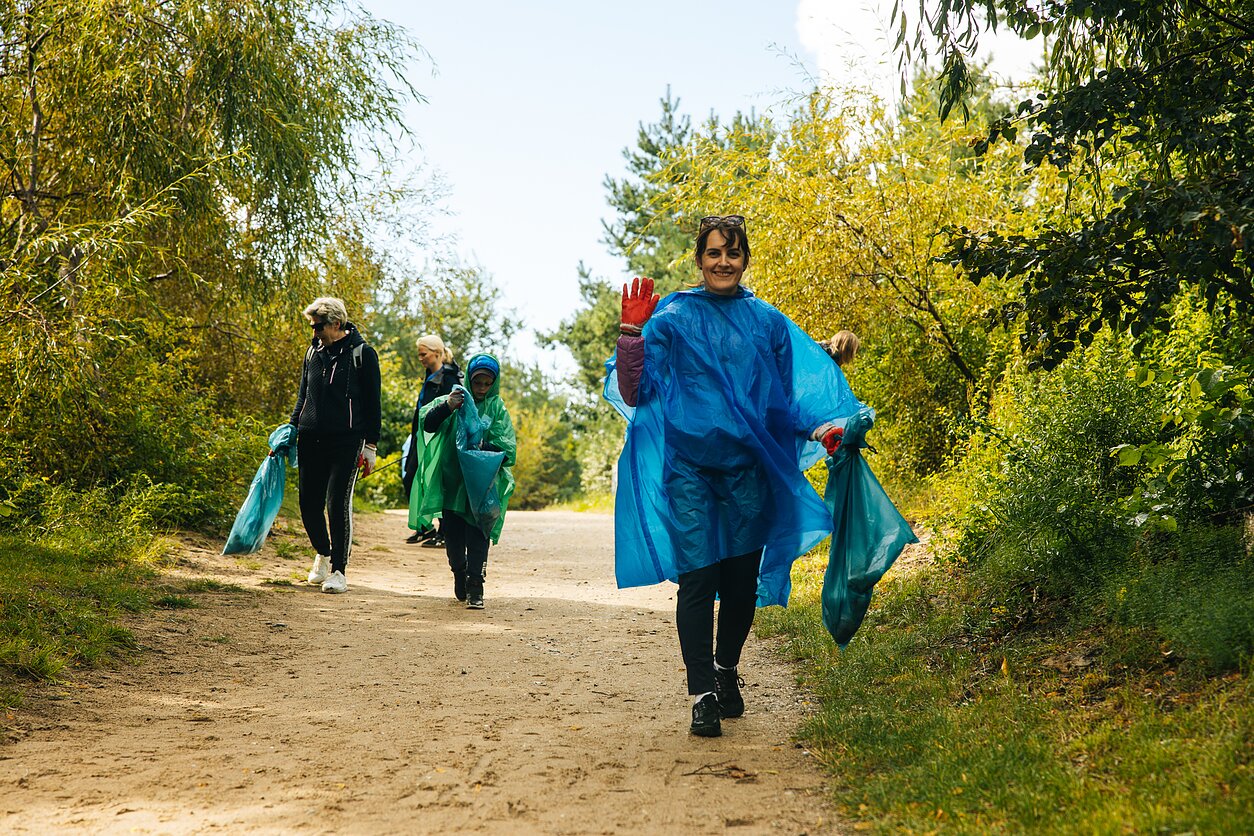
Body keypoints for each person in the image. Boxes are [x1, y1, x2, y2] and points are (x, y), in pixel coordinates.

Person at [605, 215, 863, 737]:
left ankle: (726, 669)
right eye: (714, 252)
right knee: (698, 578)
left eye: (734, 253)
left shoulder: (767, 323)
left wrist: (821, 430)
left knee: (741, 585)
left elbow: (784, 400)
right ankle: (701, 693)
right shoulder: (673, 319)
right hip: (690, 470)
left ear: (745, 260)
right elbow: (634, 392)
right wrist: (632, 334)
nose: (724, 261)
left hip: (750, 471)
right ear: (699, 259)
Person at [288, 297, 382, 595]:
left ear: (336, 324)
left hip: (347, 440)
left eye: (318, 327)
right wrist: (290, 430)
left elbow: (373, 404)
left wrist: (371, 446)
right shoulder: (311, 352)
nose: (314, 333)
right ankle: (323, 553)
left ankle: (339, 571)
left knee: (336, 503)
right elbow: (303, 396)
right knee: (308, 503)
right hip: (310, 437)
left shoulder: (362, 354)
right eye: (313, 327)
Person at [410, 353, 516, 610]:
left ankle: (476, 586)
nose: (481, 389)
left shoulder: (497, 409)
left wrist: (482, 447)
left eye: (486, 383)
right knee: (454, 539)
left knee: (479, 534)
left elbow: (508, 451)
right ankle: (459, 571)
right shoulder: (455, 398)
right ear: (469, 379)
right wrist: (447, 406)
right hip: (453, 481)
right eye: (477, 382)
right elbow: (428, 424)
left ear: (494, 383)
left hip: (482, 486)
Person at [403, 334, 462, 546]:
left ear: (436, 353)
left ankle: (444, 533)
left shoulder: (450, 378)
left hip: (439, 440)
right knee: (411, 478)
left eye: (423, 354)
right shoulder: (430, 376)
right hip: (421, 437)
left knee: (439, 483)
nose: (420, 358)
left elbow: (451, 412)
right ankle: (425, 527)